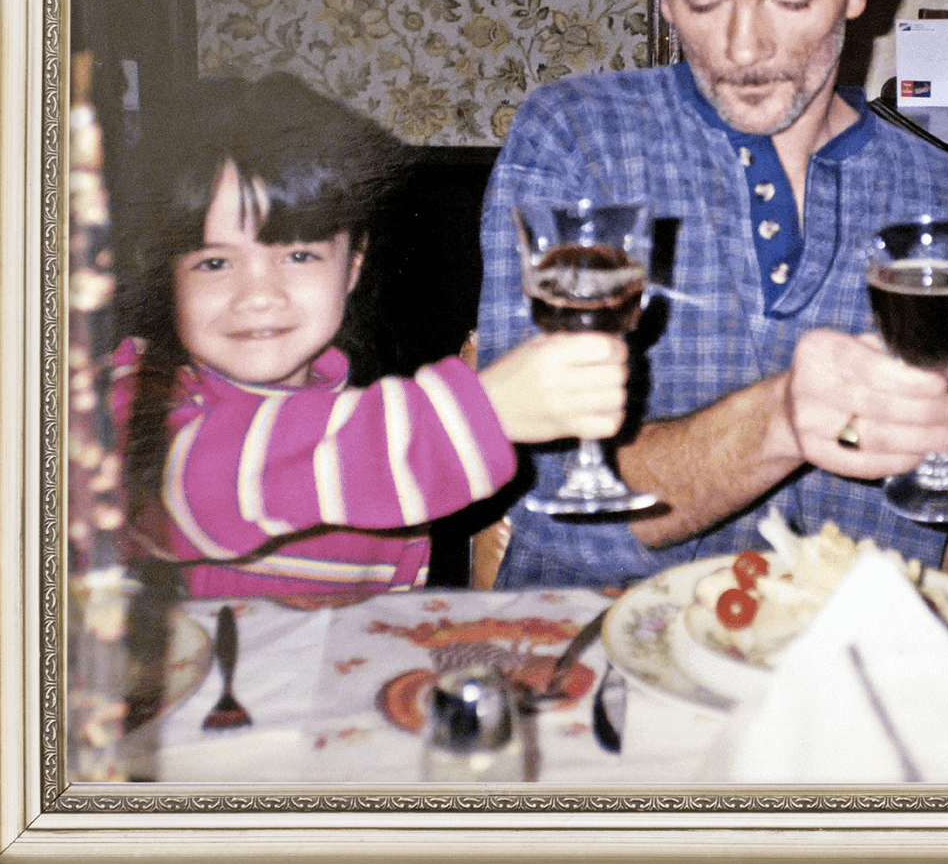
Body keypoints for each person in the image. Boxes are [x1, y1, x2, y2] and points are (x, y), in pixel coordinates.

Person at [477, 0, 948, 588]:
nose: (742, 48)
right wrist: (780, 419)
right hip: (605, 660)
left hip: (858, 671)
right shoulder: (577, 144)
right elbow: (552, 506)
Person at [112, 73, 629, 600]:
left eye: (298, 255)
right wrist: (482, 411)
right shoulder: (132, 399)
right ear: (167, 276)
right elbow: (189, 488)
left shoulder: (376, 428)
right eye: (215, 262)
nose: (258, 295)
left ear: (351, 269)